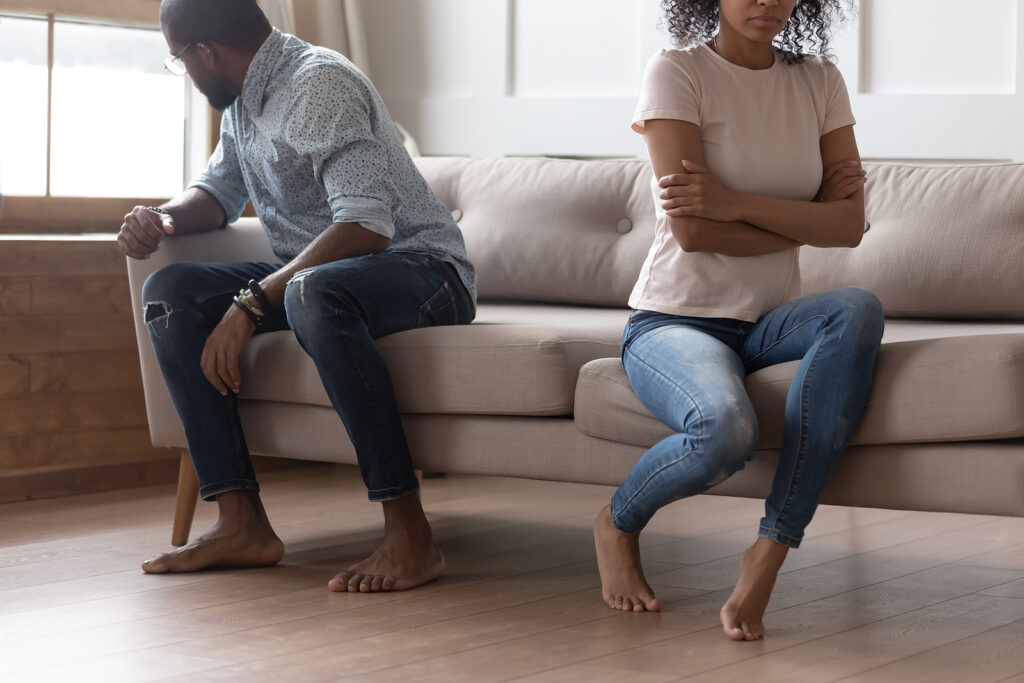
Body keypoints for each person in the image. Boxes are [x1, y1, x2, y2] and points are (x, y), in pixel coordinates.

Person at [119, 0, 476, 593]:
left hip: (422, 269)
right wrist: (163, 219)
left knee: (311, 291)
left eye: (178, 59)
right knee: (170, 291)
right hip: (323, 274)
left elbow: (366, 226)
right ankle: (241, 523)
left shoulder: (318, 85)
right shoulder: (244, 100)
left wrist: (250, 303)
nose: (184, 68)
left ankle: (411, 535)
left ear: (207, 51)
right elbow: (217, 193)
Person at [592, 0, 884, 640]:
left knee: (856, 306)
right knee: (724, 432)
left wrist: (733, 203)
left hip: (767, 323)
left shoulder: (818, 81)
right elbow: (694, 232)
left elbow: (850, 227)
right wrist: (802, 215)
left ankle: (771, 549)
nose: (767, 0)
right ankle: (616, 523)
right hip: (674, 321)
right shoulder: (678, 72)